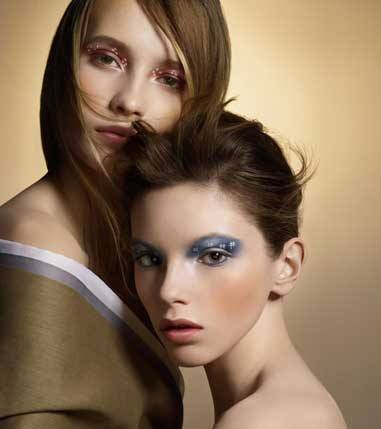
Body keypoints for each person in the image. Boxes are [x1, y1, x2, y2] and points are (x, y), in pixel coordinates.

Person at [0, 1, 230, 427]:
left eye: (169, 79)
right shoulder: (33, 244)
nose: (130, 101)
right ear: (65, 63)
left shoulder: (150, 240)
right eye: (107, 59)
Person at [124, 111, 348, 428]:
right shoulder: (294, 408)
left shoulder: (264, 420)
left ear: (287, 265)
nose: (168, 289)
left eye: (213, 255)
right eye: (149, 259)